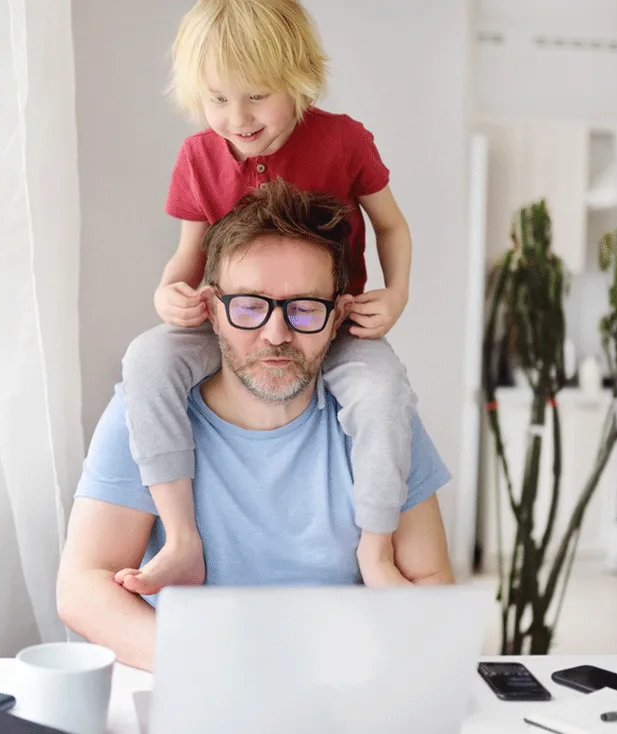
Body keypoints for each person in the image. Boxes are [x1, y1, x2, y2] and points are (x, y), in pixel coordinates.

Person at [57, 181, 453, 672]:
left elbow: (430, 586)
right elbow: (81, 589)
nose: (275, 334)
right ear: (212, 311)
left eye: (305, 308)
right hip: (200, 685)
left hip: (340, 691)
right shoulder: (144, 411)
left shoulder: (384, 419)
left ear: (339, 317)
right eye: (248, 307)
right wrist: (219, 670)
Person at [118, 0, 419, 594]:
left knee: (385, 391)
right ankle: (181, 539)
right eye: (217, 99)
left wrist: (397, 293)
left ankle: (376, 552)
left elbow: (392, 226)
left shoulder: (344, 140)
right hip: (230, 327)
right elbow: (189, 253)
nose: (237, 118)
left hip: (330, 329)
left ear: (299, 76)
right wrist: (167, 290)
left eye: (256, 95)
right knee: (146, 359)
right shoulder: (198, 157)